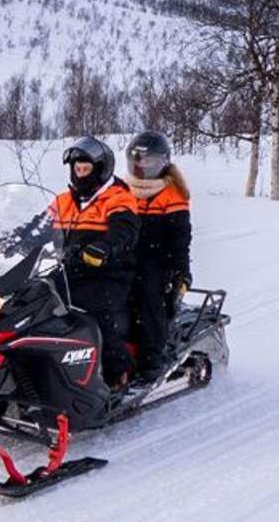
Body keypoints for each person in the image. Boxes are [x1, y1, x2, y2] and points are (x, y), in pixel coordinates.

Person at [50, 136, 140, 388]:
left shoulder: (117, 197)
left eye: (86, 169)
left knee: (94, 311)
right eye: (77, 169)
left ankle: (116, 373)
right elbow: (35, 227)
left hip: (108, 271)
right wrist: (8, 241)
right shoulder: (63, 201)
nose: (80, 174)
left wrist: (104, 246)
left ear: (100, 169)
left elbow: (124, 229)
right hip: (70, 269)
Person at [124, 131, 192, 385]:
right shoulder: (123, 190)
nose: (142, 165)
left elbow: (180, 238)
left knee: (147, 298)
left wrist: (181, 271)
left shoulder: (171, 195)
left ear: (162, 162)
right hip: (122, 259)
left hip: (156, 261)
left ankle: (152, 359)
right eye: (138, 159)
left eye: (148, 161)